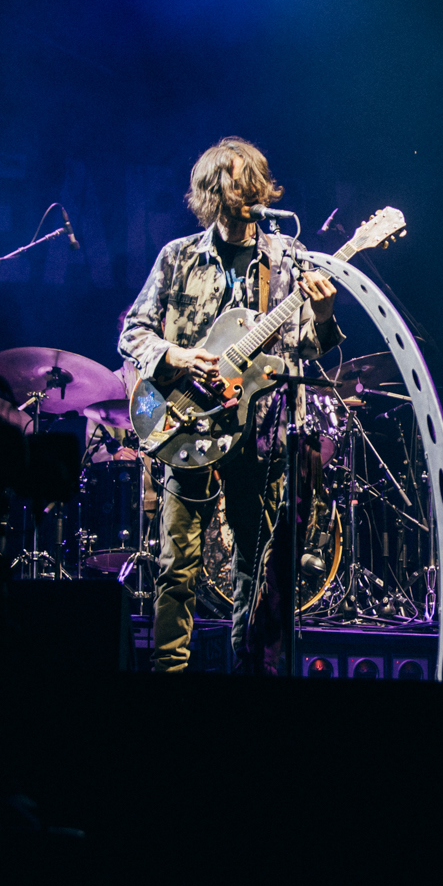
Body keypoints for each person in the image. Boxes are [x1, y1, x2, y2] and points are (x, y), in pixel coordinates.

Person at [118, 138, 341, 674]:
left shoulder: (286, 260)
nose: (245, 193)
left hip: (258, 429)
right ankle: (169, 669)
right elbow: (133, 332)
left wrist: (328, 313)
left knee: (255, 565)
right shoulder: (177, 256)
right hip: (182, 422)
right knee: (178, 566)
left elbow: (306, 348)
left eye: (252, 183)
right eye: (233, 183)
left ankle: (246, 669)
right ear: (211, 192)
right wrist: (176, 356)